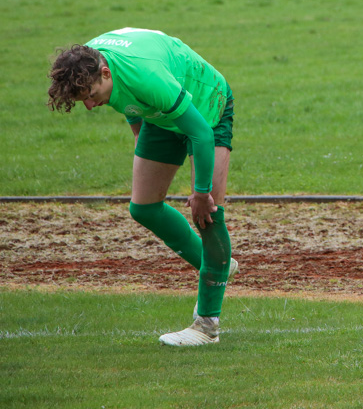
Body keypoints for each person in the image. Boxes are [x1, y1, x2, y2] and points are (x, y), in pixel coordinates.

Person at [47, 27, 238, 347]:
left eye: (92, 97)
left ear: (105, 73)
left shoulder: (144, 75)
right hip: (160, 113)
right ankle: (217, 265)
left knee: (208, 215)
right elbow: (125, 99)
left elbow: (201, 133)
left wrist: (201, 193)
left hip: (207, 108)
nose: (91, 107)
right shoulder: (89, 63)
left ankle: (207, 326)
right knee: (144, 206)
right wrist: (140, 137)